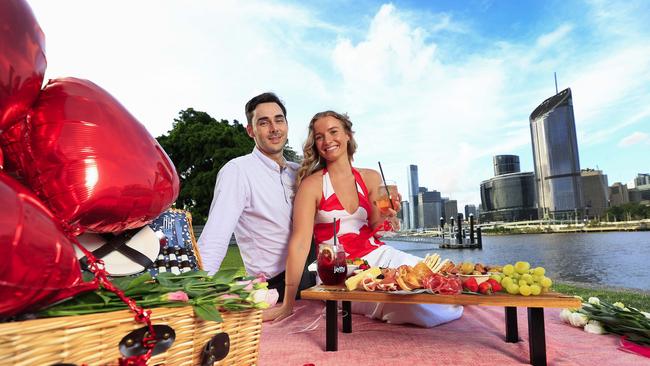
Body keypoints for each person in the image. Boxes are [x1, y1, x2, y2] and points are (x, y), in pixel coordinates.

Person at [263, 111, 463, 327]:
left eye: (333, 131)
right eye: (319, 136)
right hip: (339, 272)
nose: (327, 140)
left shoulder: (371, 177)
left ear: (348, 135)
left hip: (381, 256)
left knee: (438, 279)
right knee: (412, 305)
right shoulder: (311, 186)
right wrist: (288, 304)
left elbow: (377, 228)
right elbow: (300, 244)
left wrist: (389, 217)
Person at [197, 92, 315, 300]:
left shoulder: (299, 172)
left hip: (314, 274)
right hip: (277, 285)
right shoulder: (237, 171)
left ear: (287, 124)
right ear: (250, 131)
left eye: (279, 120)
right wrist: (198, 289)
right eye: (263, 122)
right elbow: (215, 236)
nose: (274, 128)